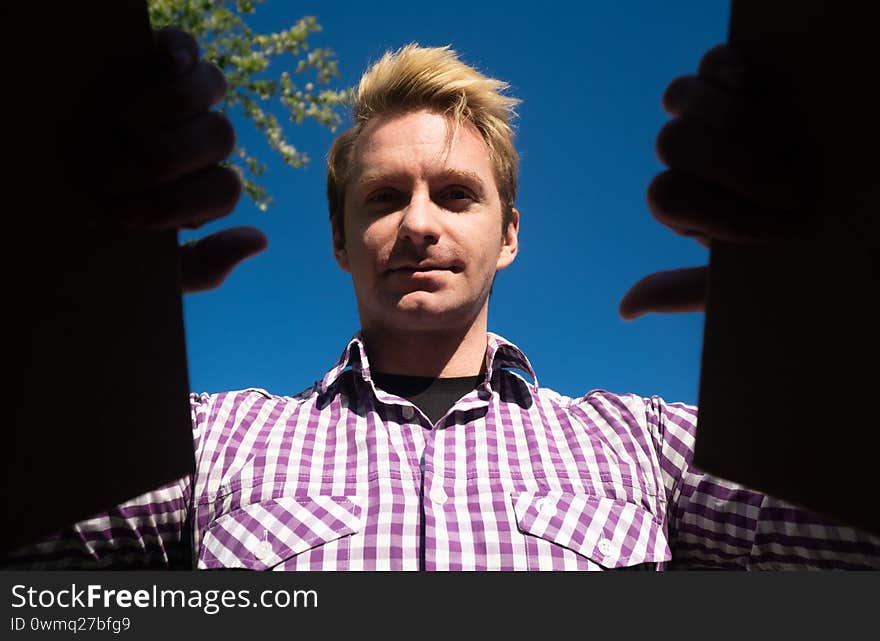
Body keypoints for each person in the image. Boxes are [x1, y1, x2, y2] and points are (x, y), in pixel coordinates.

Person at [5, 28, 878, 570]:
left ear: (508, 236)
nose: (418, 224)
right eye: (383, 198)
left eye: (456, 194)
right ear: (342, 241)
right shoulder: (207, 437)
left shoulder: (645, 442)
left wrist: (832, 311)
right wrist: (54, 320)